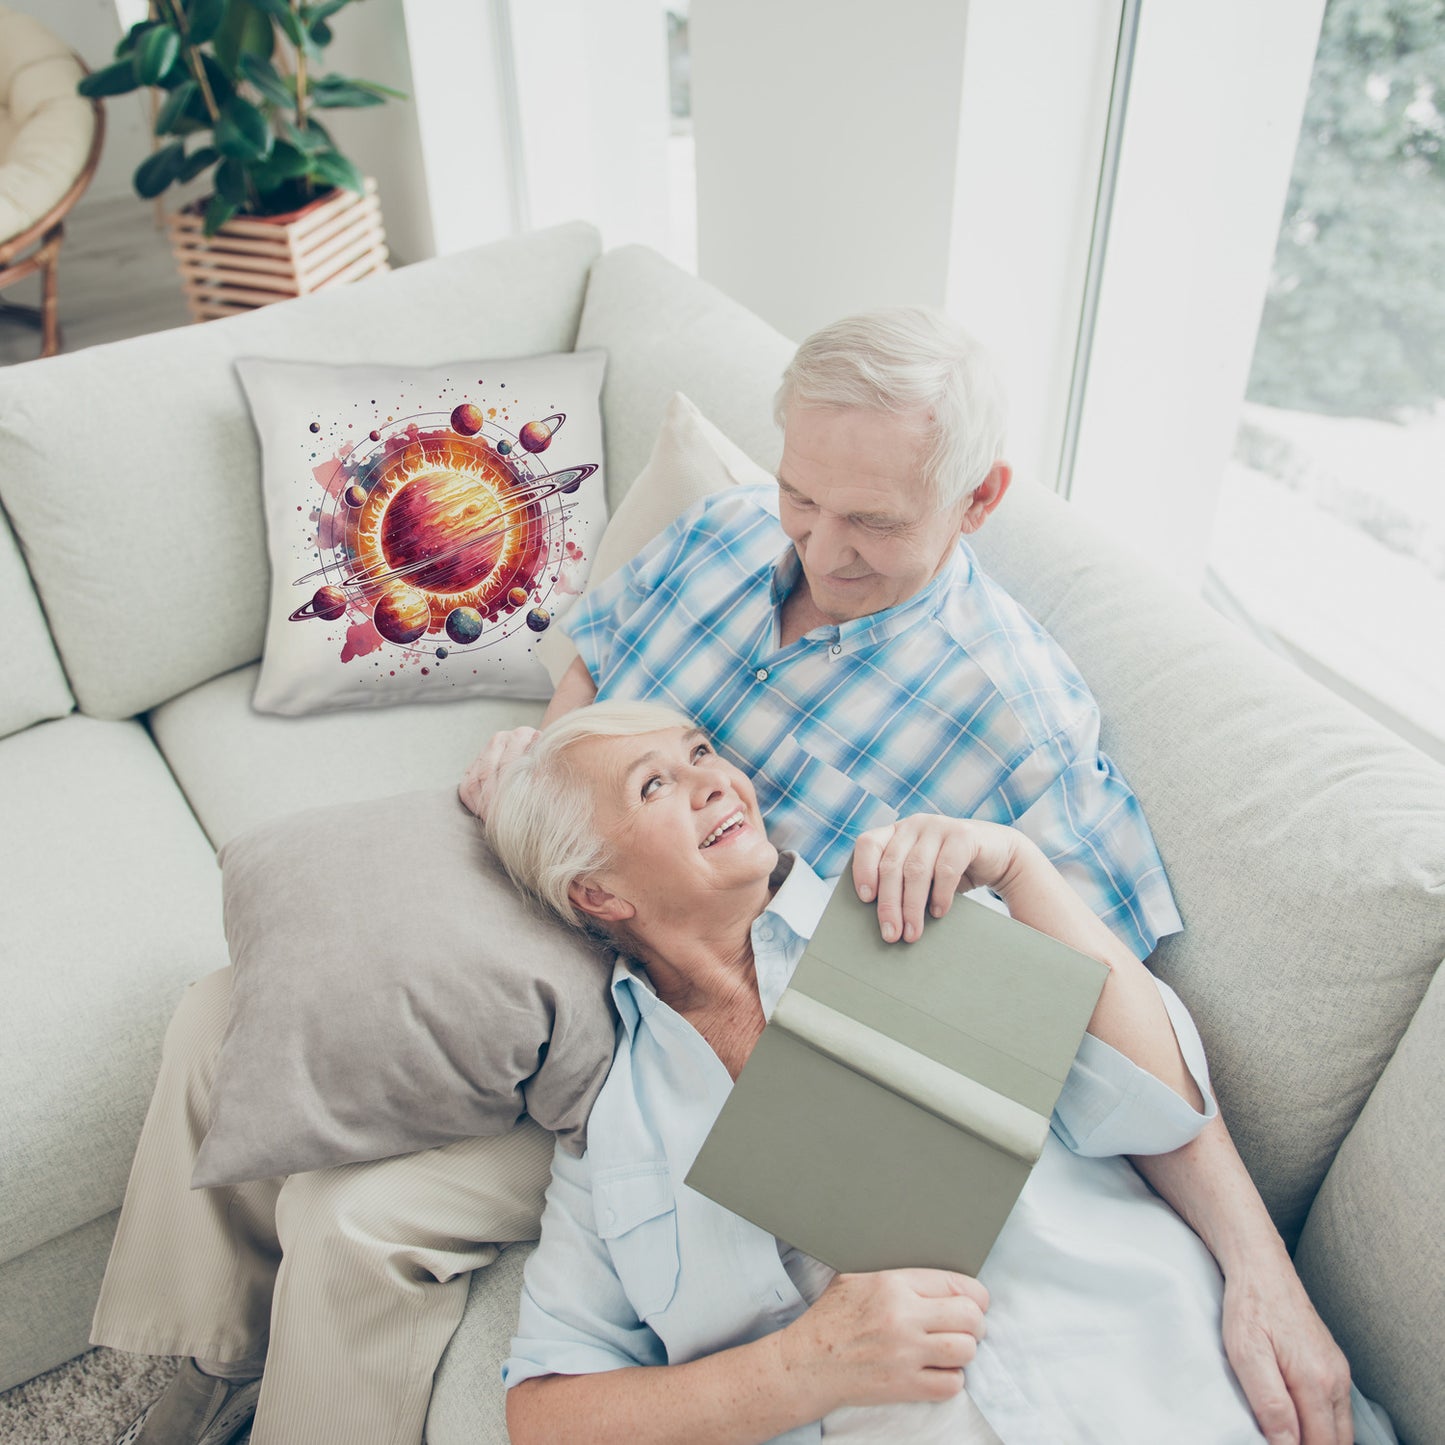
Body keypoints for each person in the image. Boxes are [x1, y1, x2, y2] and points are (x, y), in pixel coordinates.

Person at [94, 309, 1348, 1445]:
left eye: (871, 520)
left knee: (355, 1218)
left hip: (692, 1013)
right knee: (229, 1007)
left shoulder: (1016, 724)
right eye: (804, 495)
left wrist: (1259, 1266)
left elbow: (1103, 1020)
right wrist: (546, 767)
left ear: (976, 501)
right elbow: (595, 664)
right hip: (580, 886)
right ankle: (192, 1363)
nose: (819, 545)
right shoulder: (727, 532)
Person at [486, 701, 1383, 1445]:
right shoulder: (615, 1131)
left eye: (700, 752)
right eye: (655, 784)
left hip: (1174, 1391)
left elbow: (1158, 1106)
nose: (715, 779)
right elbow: (545, 1412)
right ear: (597, 893)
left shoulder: (909, 907)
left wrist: (1021, 869)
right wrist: (803, 1367)